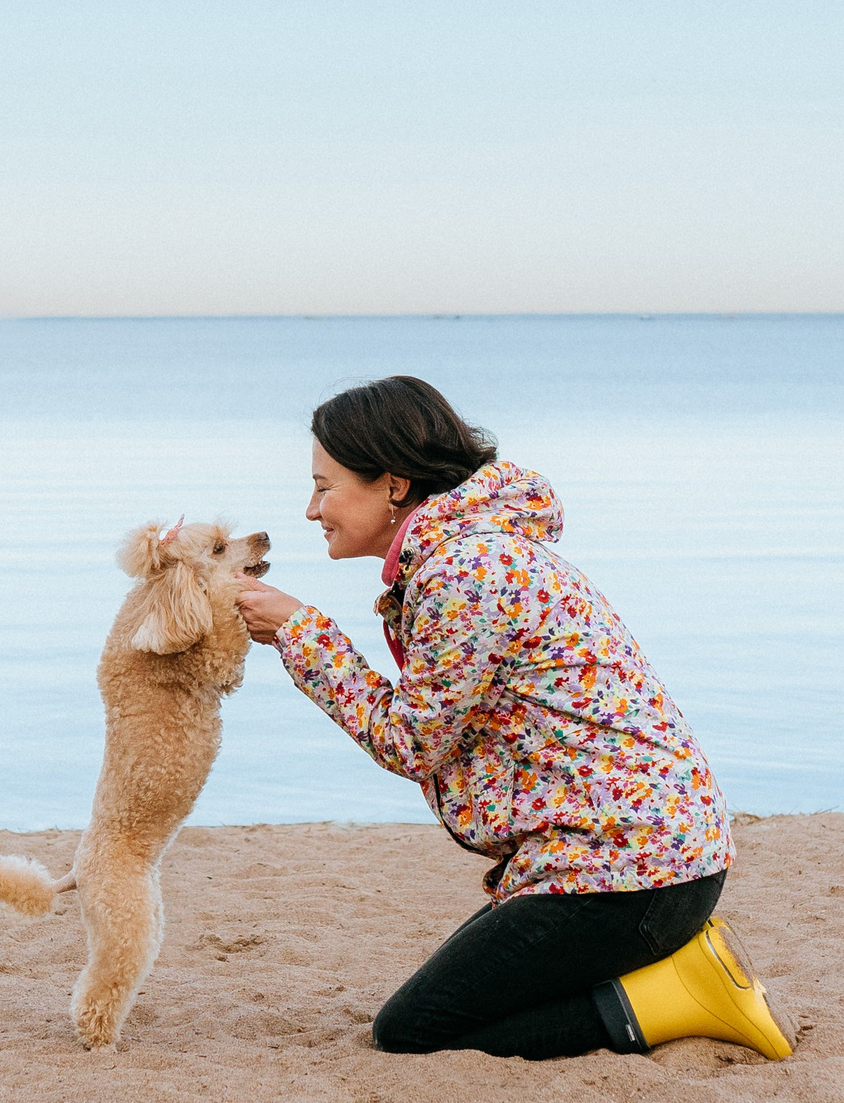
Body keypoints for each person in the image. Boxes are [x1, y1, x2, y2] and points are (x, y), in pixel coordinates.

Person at [234, 375, 797, 1062]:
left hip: (631, 875)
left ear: (392, 484)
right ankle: (661, 969)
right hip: (639, 860)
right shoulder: (472, 550)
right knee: (456, 999)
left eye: (325, 486)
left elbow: (411, 744)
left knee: (412, 1032)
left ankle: (677, 992)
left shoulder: (463, 573)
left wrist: (301, 631)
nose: (310, 508)